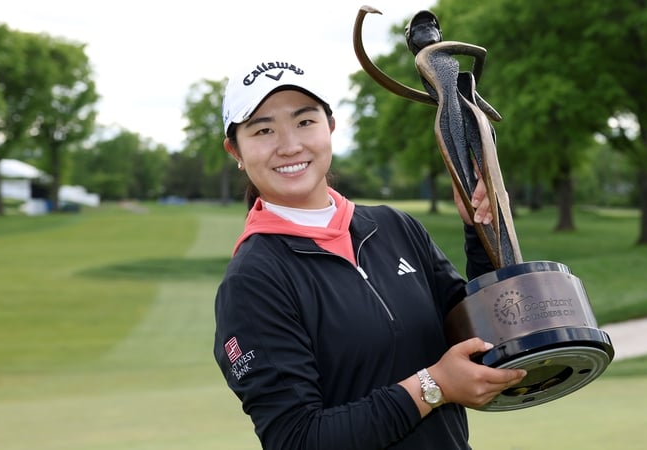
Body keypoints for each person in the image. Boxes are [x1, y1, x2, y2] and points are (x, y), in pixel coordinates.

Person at [213, 55, 527, 450]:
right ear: (235, 151)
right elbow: (296, 438)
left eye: (305, 121)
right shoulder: (253, 281)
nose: (289, 145)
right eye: (263, 130)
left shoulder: (396, 227)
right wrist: (433, 386)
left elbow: (478, 334)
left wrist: (481, 228)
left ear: (329, 127)